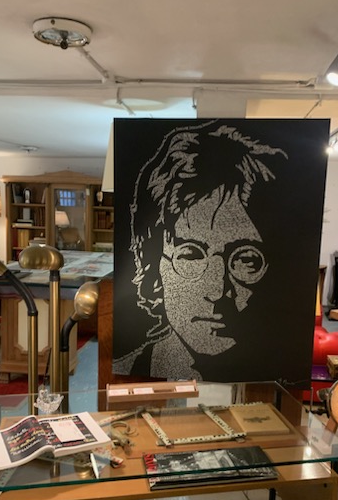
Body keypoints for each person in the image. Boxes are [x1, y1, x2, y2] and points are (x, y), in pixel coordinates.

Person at [113, 120, 287, 380]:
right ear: (153, 264)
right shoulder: (129, 370)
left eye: (246, 260)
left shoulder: (282, 375)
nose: (217, 291)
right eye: (190, 255)